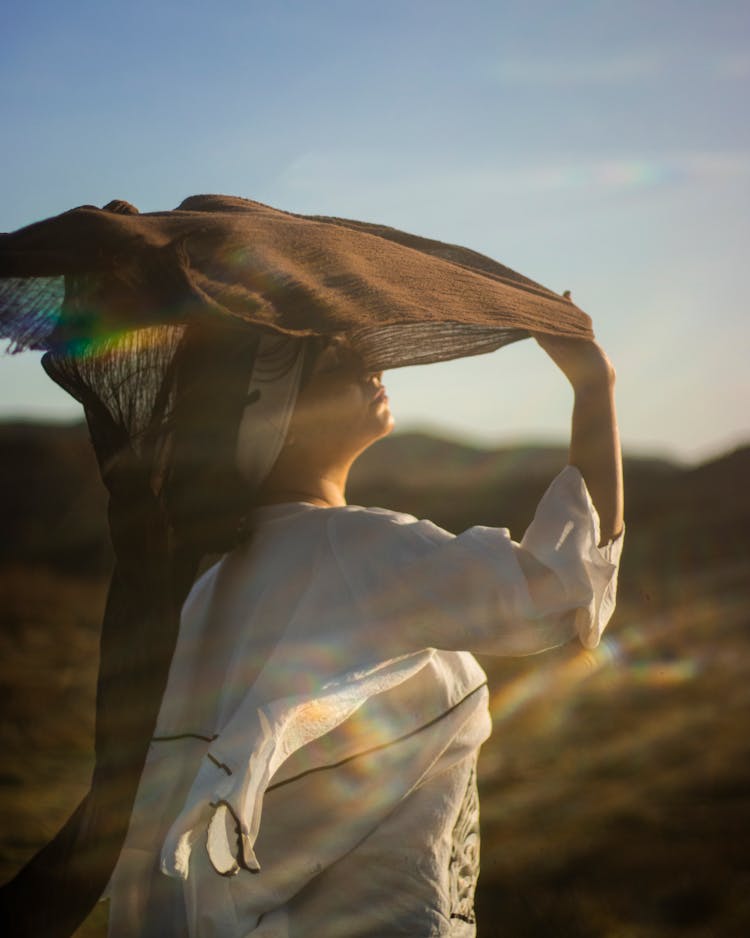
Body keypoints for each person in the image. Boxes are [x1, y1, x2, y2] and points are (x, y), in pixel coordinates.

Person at [104, 329, 623, 937]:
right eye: (331, 363)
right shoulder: (357, 548)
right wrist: (594, 385)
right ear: (278, 416)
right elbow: (566, 590)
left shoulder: (209, 587)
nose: (369, 363)